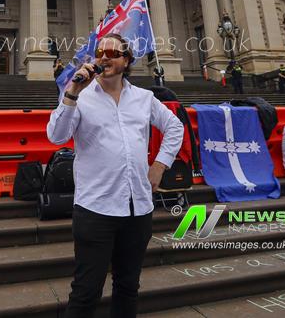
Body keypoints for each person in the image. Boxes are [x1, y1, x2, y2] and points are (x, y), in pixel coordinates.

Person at [47, 33, 183, 317]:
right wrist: (72, 91)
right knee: (86, 291)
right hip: (95, 209)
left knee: (127, 287)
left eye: (112, 52)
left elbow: (175, 127)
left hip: (139, 209)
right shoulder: (79, 96)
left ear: (127, 60)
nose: (104, 57)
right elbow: (57, 136)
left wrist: (160, 164)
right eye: (100, 52)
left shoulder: (145, 98)